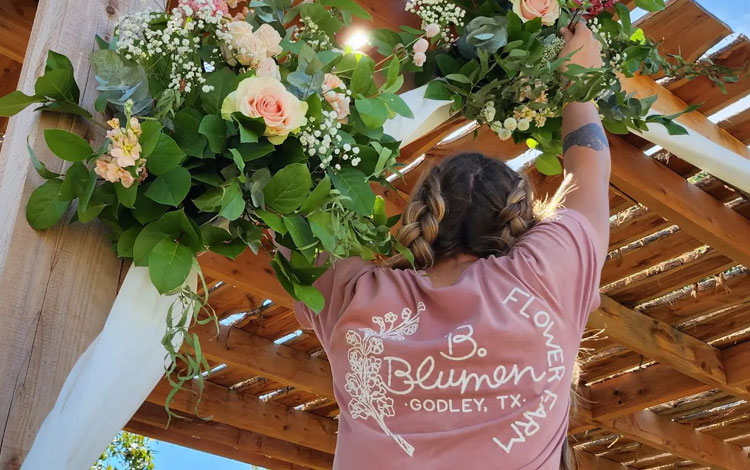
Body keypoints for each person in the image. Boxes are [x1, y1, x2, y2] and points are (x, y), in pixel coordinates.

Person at [291, 20, 609, 470]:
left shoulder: (351, 296)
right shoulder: (547, 275)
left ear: (420, 214)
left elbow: (287, 199)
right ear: (519, 219)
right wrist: (580, 78)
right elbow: (588, 167)